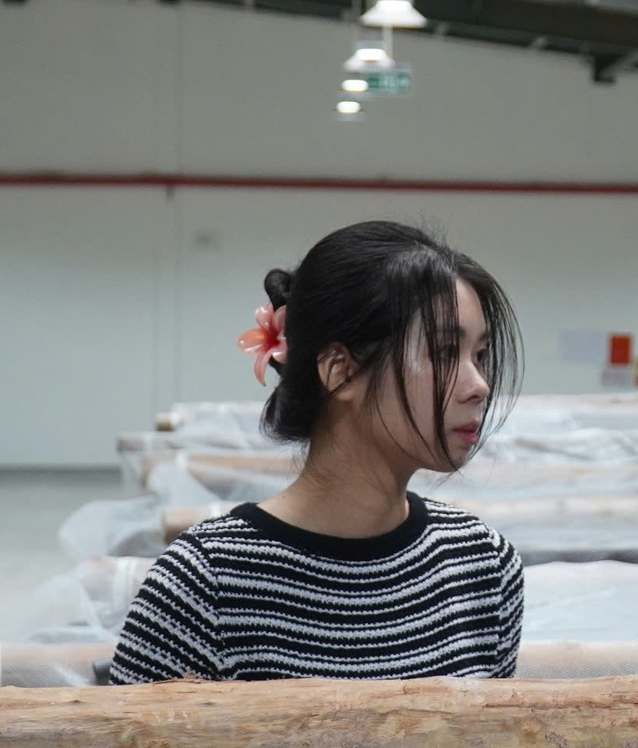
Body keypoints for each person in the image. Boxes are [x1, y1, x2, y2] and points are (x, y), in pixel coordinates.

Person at [110, 221, 525, 684]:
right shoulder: (205, 585)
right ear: (340, 372)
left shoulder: (482, 566)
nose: (480, 386)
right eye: (446, 353)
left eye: (480, 356)